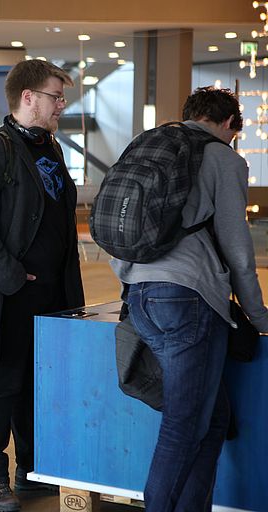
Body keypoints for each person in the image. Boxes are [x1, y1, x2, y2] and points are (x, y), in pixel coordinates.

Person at [111, 86, 268, 512]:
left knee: (212, 418)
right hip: (187, 300)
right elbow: (237, 248)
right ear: (229, 124)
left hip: (141, 295)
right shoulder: (223, 158)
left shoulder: (147, 145)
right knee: (184, 425)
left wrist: (134, 278)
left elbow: (119, 224)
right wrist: (258, 315)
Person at [0, 60, 84, 512]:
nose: (60, 105)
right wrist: (11, 276)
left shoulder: (50, 146)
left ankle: (31, 467)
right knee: (0, 383)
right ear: (28, 97)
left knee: (36, 382)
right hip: (7, 293)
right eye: (55, 96)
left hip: (52, 292)